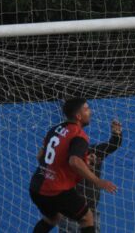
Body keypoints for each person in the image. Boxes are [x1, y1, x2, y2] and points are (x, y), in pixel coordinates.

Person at [29, 97, 118, 233]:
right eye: (86, 109)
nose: (90, 112)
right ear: (78, 116)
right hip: (56, 190)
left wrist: (54, 170)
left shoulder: (55, 129)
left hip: (36, 187)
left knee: (52, 219)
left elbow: (40, 155)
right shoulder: (78, 135)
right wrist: (98, 181)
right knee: (87, 218)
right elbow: (74, 161)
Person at [59, 120, 123, 233]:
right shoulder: (66, 157)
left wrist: (116, 135)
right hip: (70, 213)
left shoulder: (95, 151)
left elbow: (113, 145)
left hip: (91, 212)